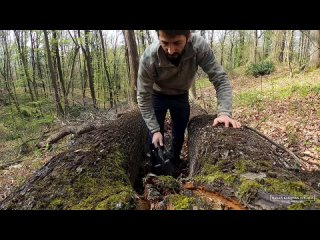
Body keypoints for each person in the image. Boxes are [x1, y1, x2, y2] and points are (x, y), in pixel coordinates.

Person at [137, 30, 241, 172]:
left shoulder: (199, 47)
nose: (170, 50)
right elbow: (143, 96)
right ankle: (157, 166)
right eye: (165, 43)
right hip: (157, 94)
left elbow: (220, 79)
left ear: (189, 37)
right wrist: (154, 130)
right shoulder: (149, 58)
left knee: (179, 132)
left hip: (181, 94)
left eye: (177, 43)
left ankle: (174, 160)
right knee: (155, 134)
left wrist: (224, 112)